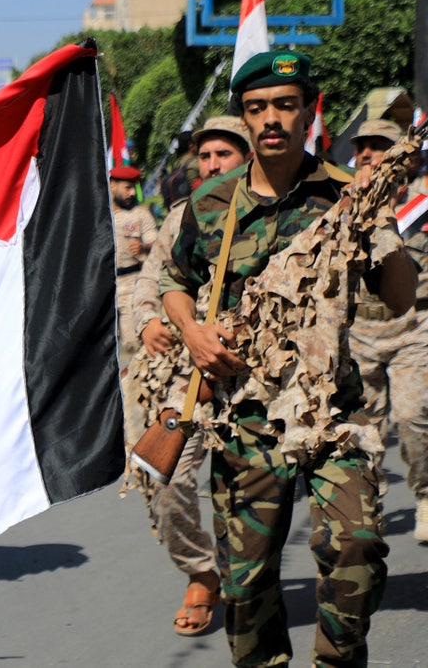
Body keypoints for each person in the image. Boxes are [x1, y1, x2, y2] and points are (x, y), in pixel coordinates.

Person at [158, 52, 416, 667]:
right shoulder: (211, 203)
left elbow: (401, 297)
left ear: (309, 110)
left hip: (331, 410)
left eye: (284, 104)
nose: (271, 119)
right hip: (244, 418)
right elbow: (172, 277)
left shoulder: (345, 193)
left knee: (355, 546)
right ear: (243, 117)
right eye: (256, 108)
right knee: (246, 585)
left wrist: (379, 219)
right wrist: (191, 329)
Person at [127, 115, 251, 637]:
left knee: (250, 488)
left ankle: (249, 578)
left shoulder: (275, 213)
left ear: (247, 157)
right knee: (163, 477)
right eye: (205, 156)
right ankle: (201, 573)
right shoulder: (182, 217)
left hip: (256, 373)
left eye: (224, 154)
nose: (213, 164)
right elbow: (147, 286)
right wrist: (151, 321)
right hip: (186, 375)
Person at [346, 118, 428, 543]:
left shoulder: (424, 202)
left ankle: (427, 495)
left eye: (378, 146)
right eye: (362, 147)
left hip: (414, 325)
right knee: (366, 427)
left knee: (413, 416)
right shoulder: (346, 202)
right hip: (360, 329)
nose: (366, 154)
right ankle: (369, 503)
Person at [110, 164, 157, 358]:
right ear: (113, 186)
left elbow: (156, 241)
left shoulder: (139, 214)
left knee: (132, 342)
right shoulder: (100, 215)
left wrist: (144, 247)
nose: (131, 193)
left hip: (133, 283)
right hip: (106, 285)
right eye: (126, 187)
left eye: (133, 188)